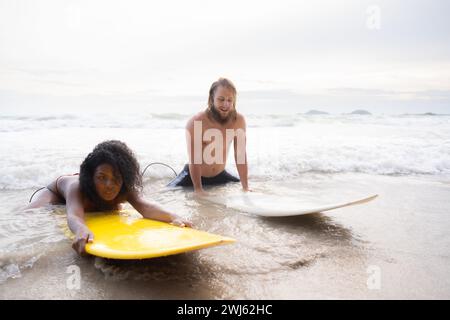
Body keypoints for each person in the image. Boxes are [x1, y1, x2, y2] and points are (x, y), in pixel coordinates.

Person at [27, 140, 192, 255]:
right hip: (55, 193)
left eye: (116, 179)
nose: (109, 185)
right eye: (101, 177)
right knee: (30, 214)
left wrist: (173, 216)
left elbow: (145, 206)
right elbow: (74, 215)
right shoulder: (76, 186)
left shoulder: (125, 188)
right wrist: (81, 229)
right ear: (91, 176)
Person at [168, 78, 249, 195]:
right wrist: (198, 189)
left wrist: (245, 187)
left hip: (220, 175)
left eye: (230, 100)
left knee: (246, 187)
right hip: (193, 177)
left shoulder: (239, 121)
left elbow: (240, 156)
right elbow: (194, 159)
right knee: (166, 193)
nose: (226, 104)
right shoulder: (197, 121)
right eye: (221, 99)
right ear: (211, 98)